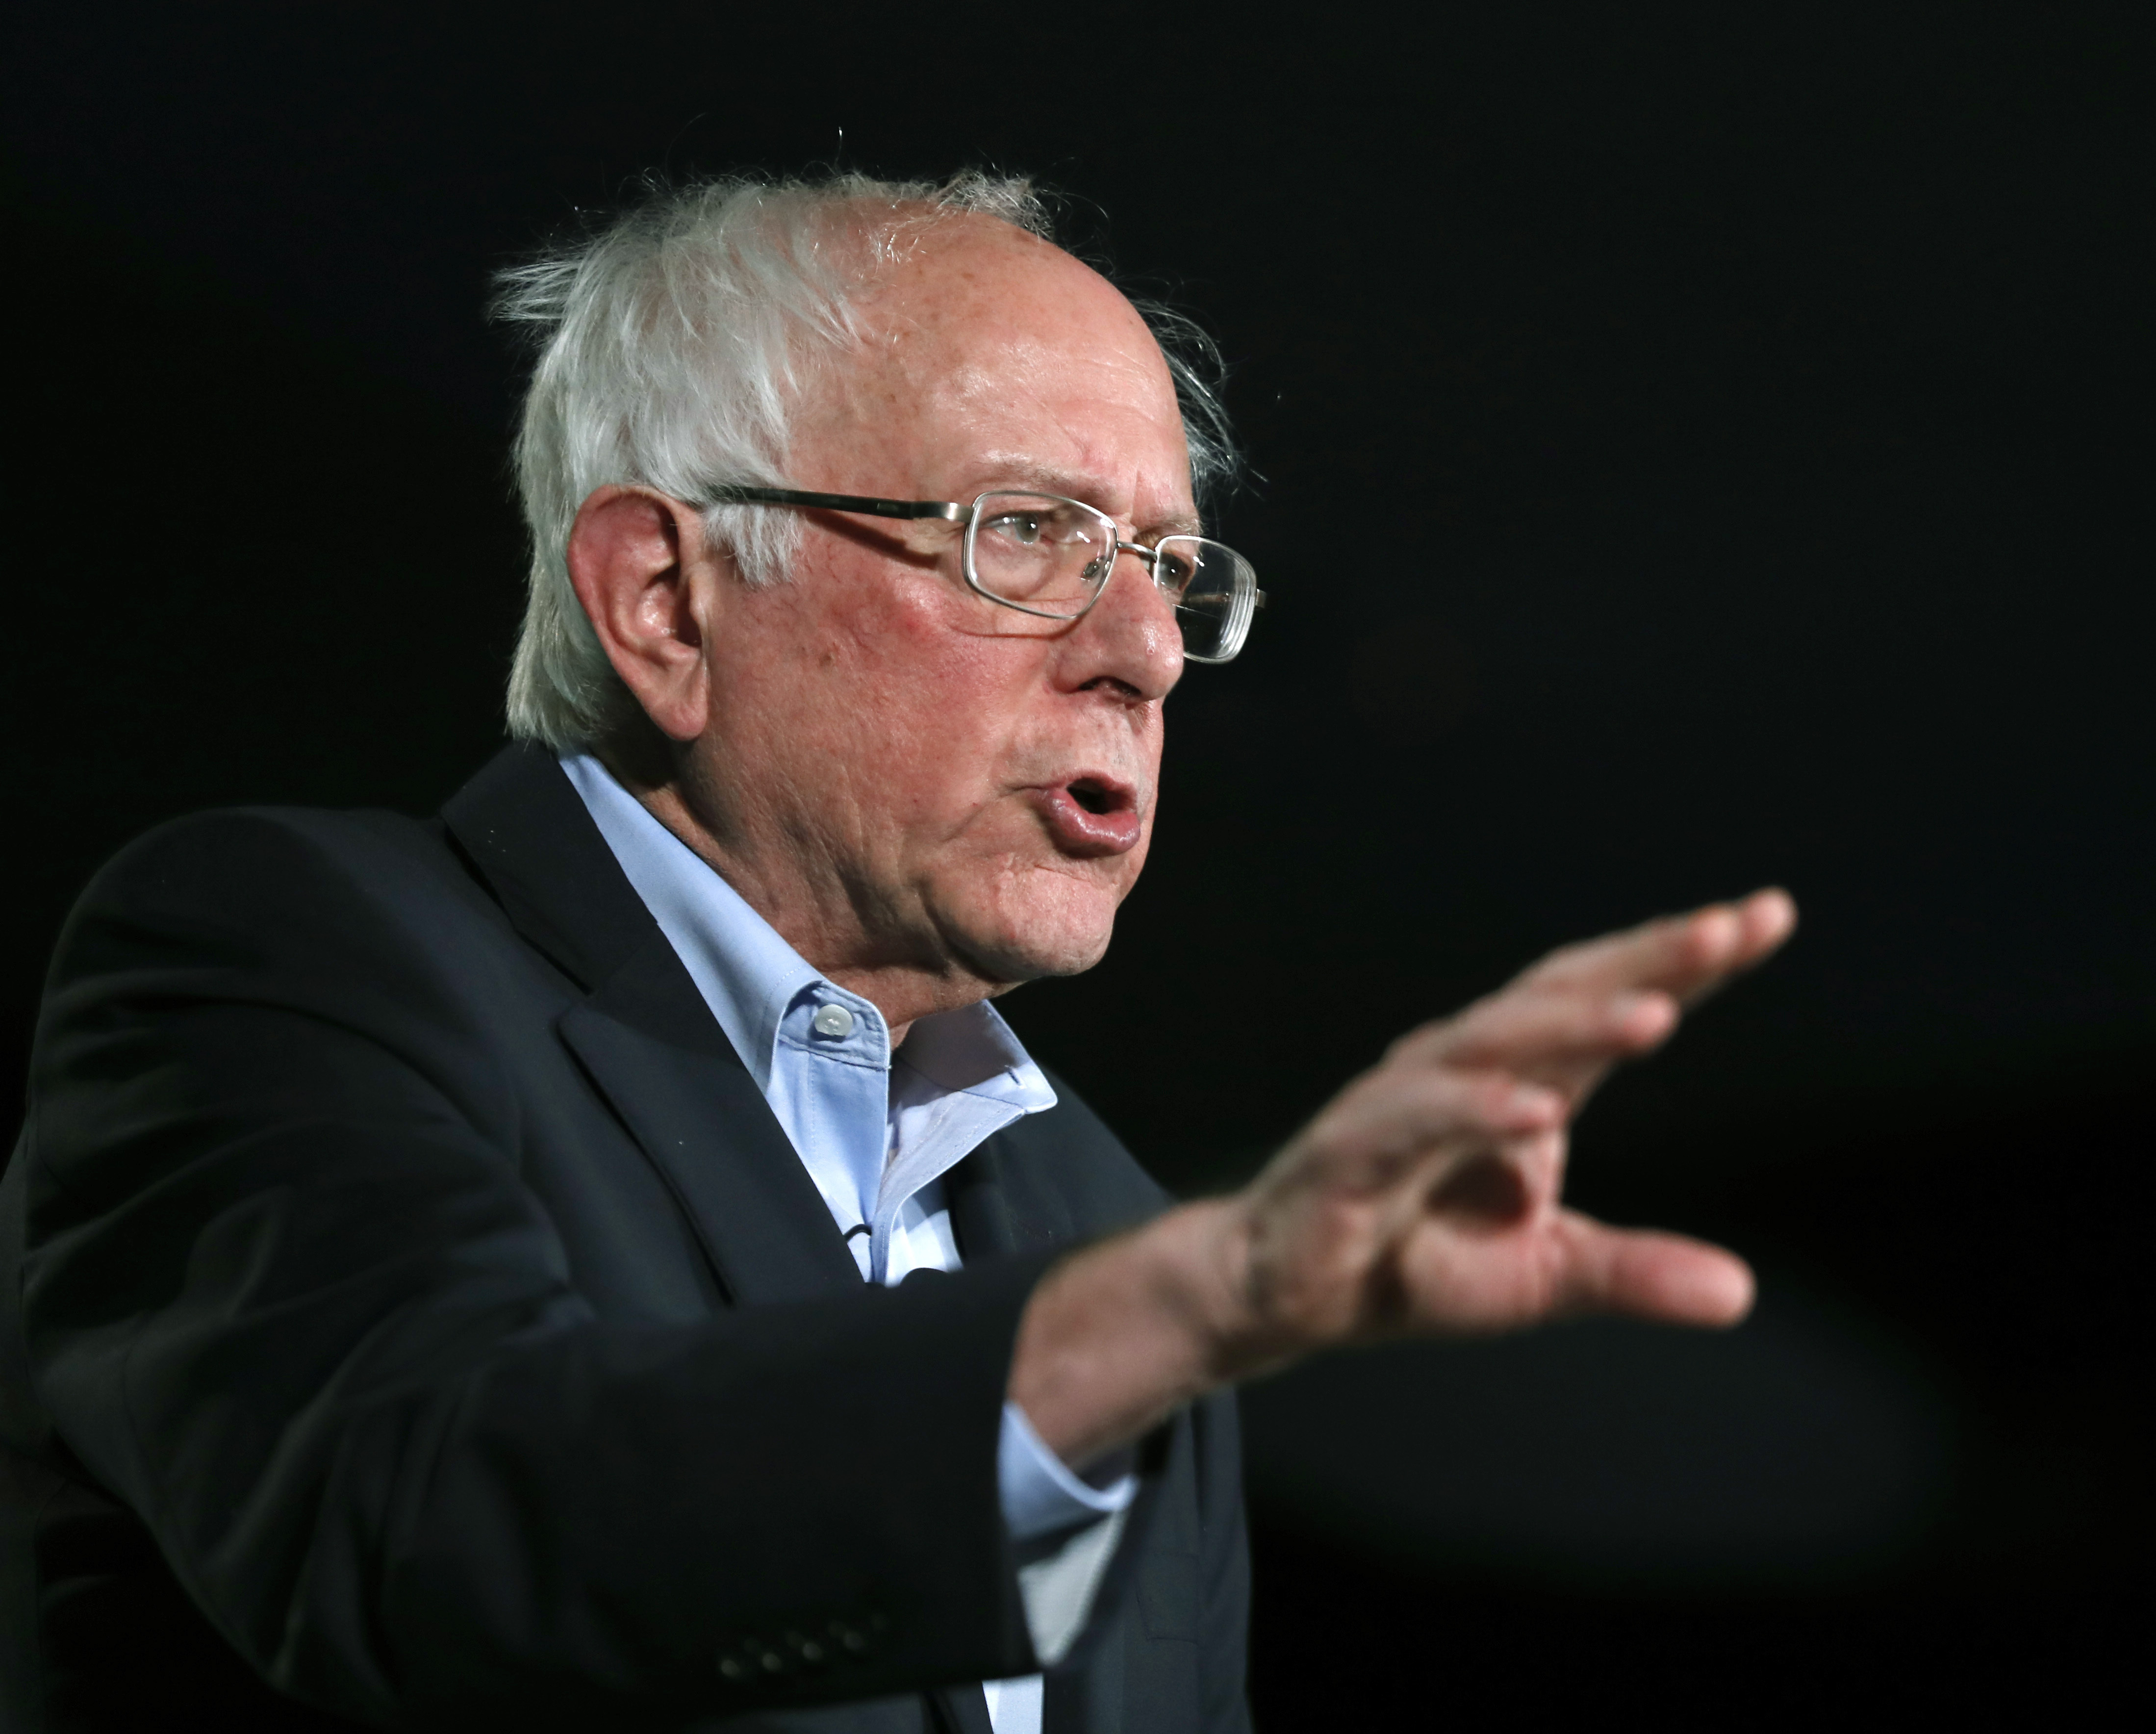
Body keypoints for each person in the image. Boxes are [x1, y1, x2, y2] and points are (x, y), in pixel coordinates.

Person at [0, 171, 1792, 1733]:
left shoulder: (1092, 1212)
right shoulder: (287, 959)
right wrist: (1184, 1309)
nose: (1147, 653)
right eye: (1029, 534)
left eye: (1169, 564)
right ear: (664, 599)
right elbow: (428, 1530)